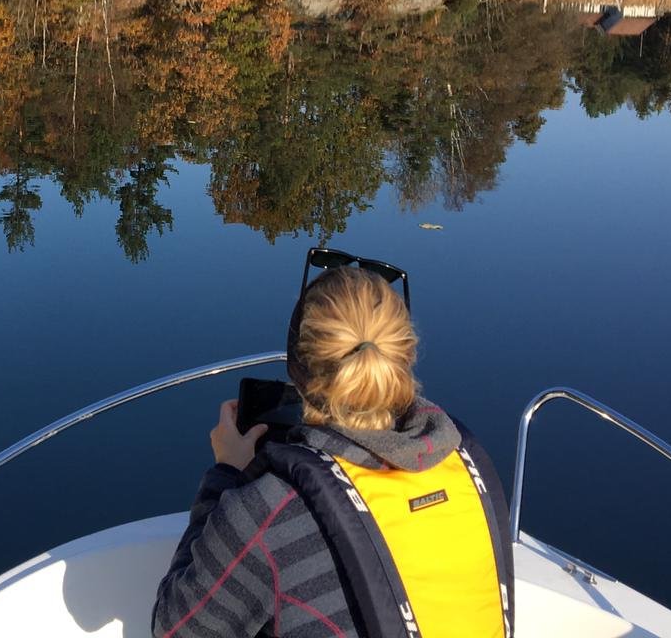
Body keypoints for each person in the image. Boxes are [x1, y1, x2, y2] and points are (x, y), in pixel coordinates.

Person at [152, 257, 514, 638]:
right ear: (404, 358)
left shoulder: (270, 509)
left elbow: (173, 630)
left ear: (297, 367)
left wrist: (225, 476)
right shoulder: (467, 464)